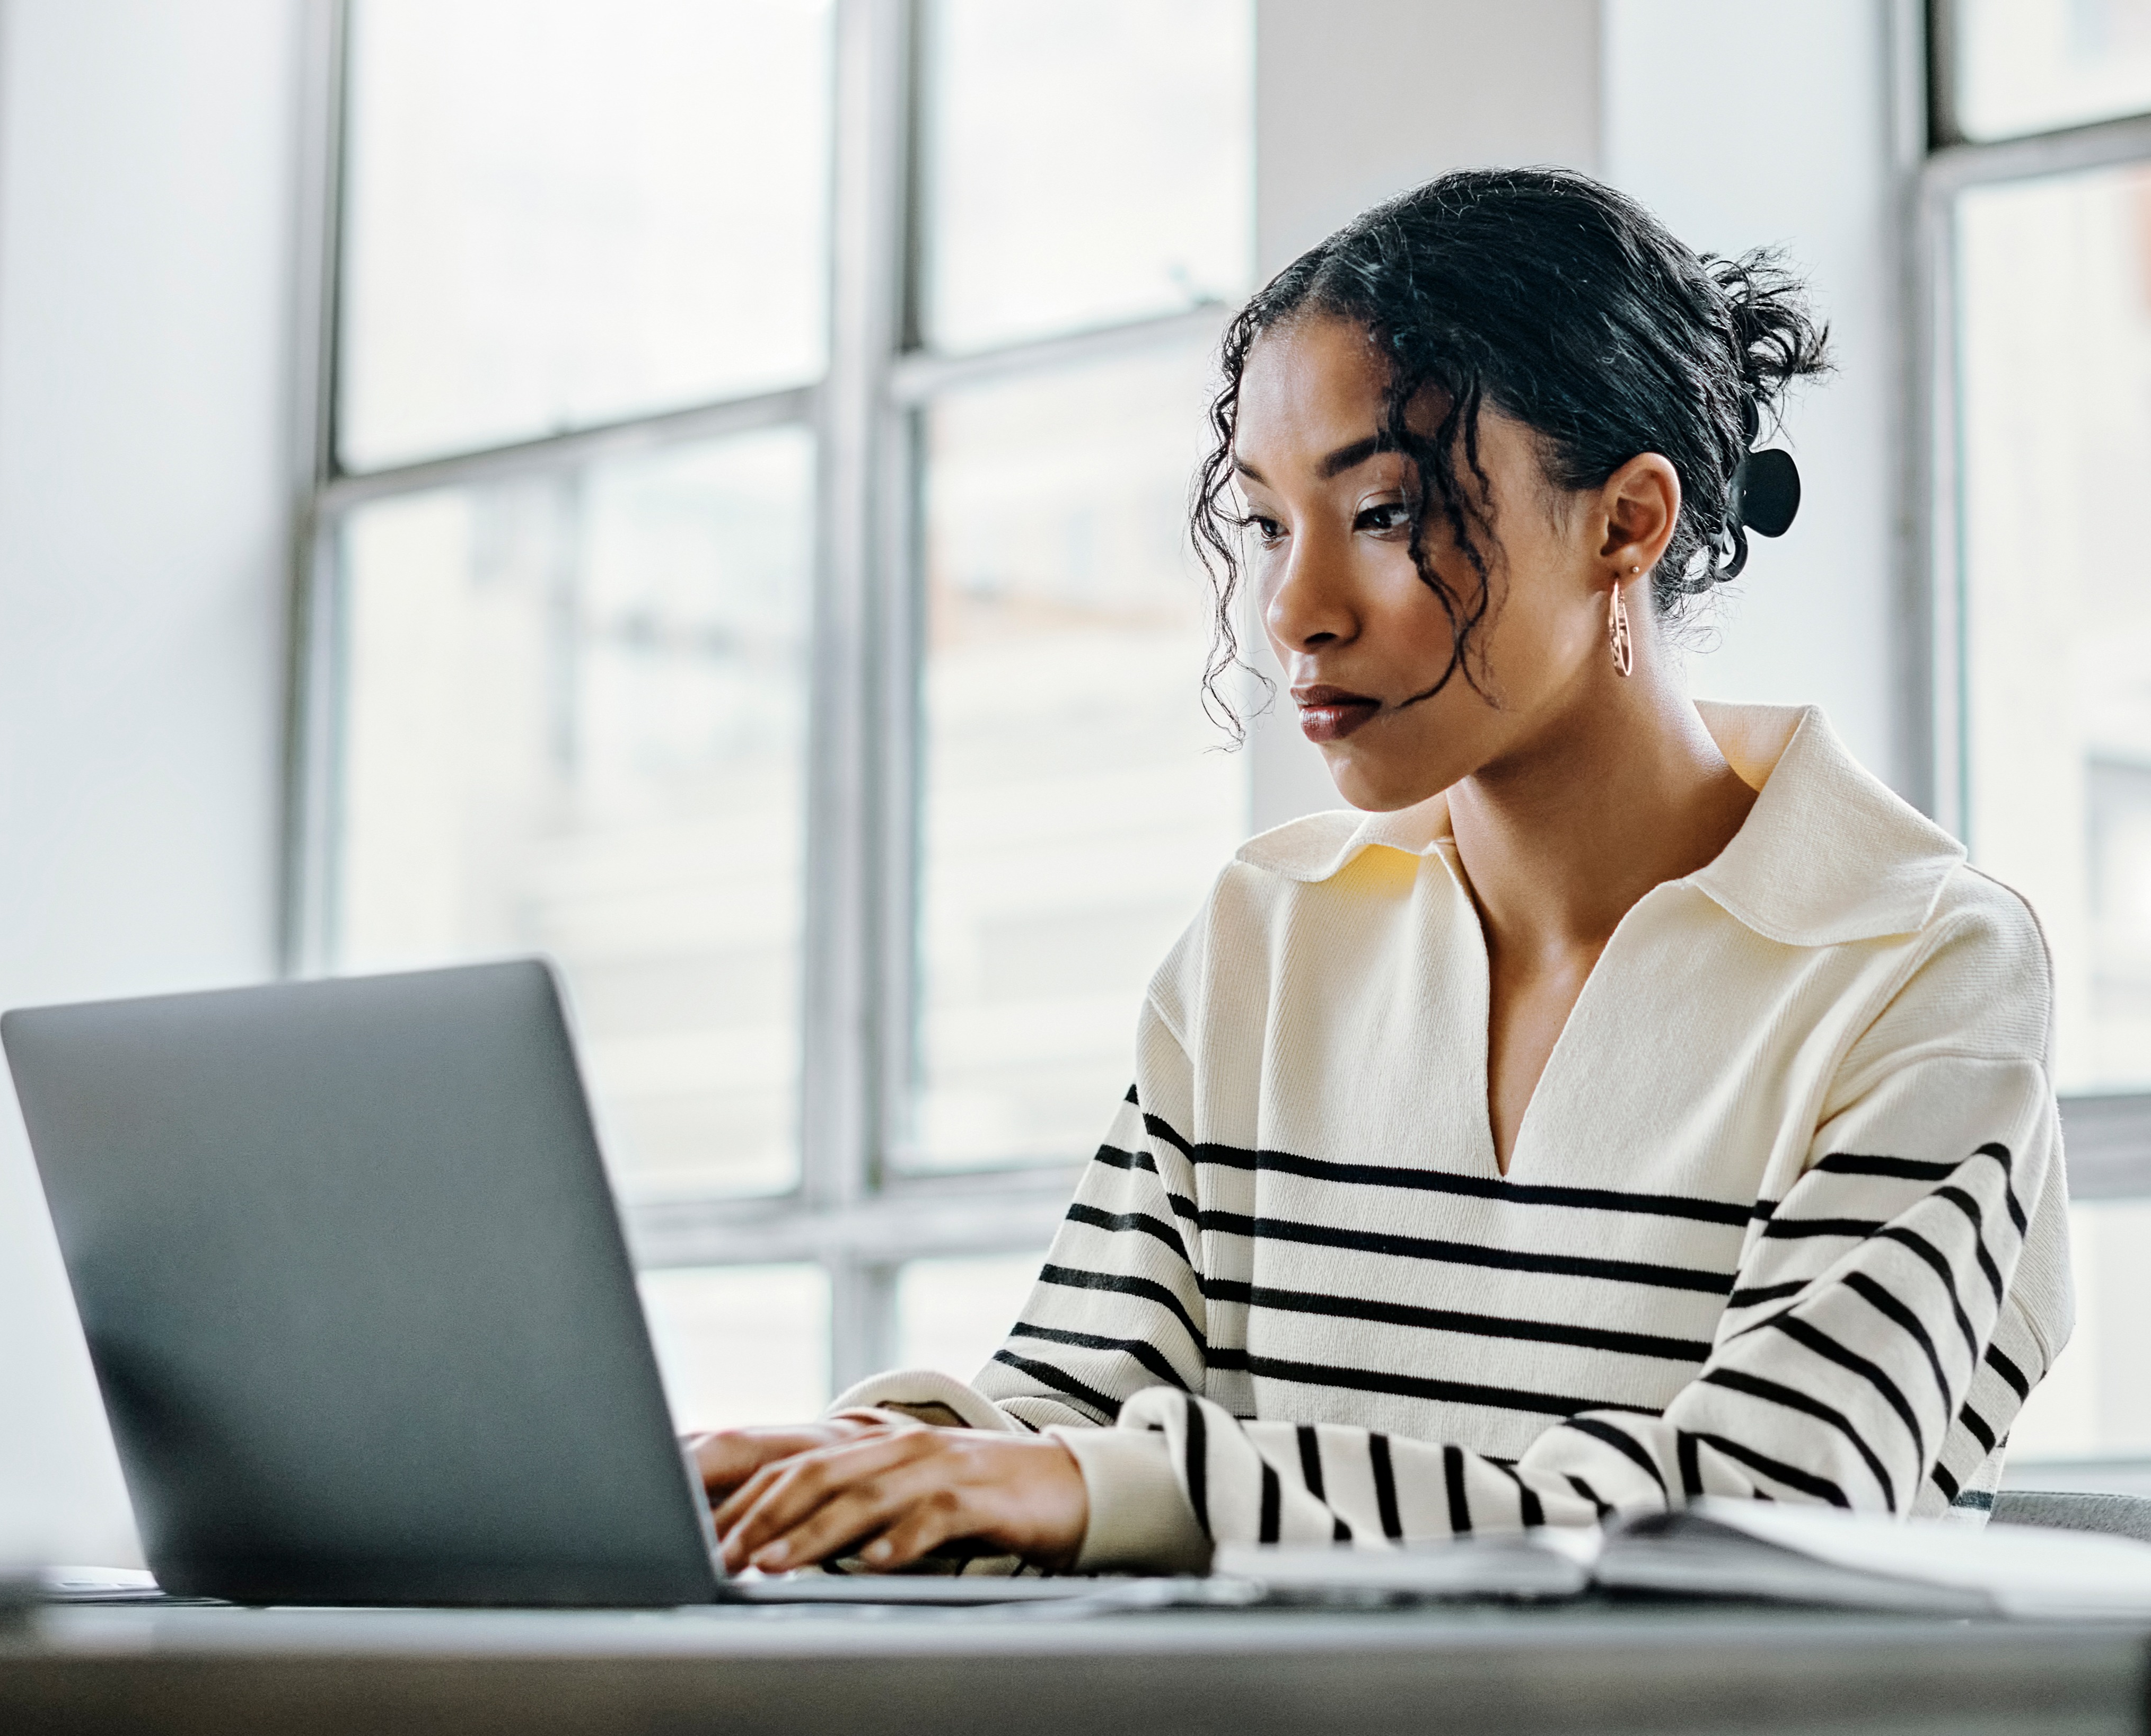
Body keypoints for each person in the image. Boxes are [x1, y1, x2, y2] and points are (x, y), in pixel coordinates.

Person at [688, 168, 2073, 1577]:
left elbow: (1768, 1506)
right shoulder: (1267, 939)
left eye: (1386, 513)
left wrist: (1116, 1484)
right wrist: (832, 1465)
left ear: (1626, 523)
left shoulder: (1920, 966)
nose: (1295, 611)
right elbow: (1076, 1413)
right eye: (1270, 525)